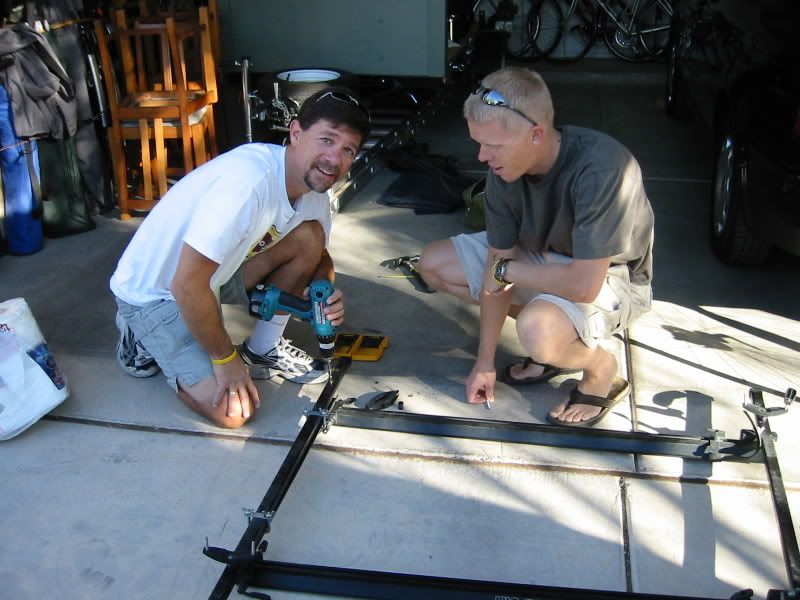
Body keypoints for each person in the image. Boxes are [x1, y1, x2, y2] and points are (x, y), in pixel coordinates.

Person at [110, 87, 370, 429]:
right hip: (158, 296)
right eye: (326, 140)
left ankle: (262, 349)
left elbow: (319, 255)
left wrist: (323, 291)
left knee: (309, 236)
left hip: (213, 276)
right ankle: (139, 339)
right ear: (295, 132)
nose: (334, 159)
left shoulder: (314, 192)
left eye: (347, 150)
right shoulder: (248, 183)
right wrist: (225, 358)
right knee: (234, 413)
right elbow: (186, 285)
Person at [418, 67, 654, 428]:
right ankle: (553, 342)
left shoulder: (603, 168)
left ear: (536, 135)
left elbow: (583, 285)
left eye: (493, 145)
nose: (482, 157)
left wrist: (505, 270)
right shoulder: (503, 172)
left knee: (537, 331)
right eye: (479, 143)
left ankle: (599, 367)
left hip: (609, 276)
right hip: (542, 258)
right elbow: (497, 265)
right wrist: (484, 363)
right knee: (433, 264)